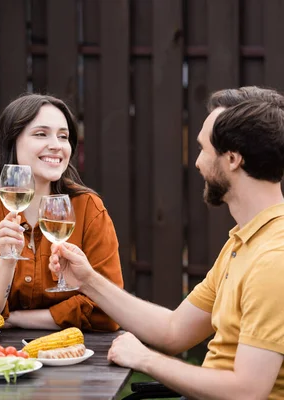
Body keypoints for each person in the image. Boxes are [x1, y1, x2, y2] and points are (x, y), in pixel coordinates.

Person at [49, 87, 284, 399]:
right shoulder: (245, 241)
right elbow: (174, 331)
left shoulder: (273, 259)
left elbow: (247, 391)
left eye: (203, 149)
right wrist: (87, 281)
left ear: (232, 159)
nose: (198, 162)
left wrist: (145, 358)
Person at [0, 93, 123, 331]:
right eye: (41, 134)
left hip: (79, 358)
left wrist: (16, 319)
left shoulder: (88, 207)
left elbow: (110, 312)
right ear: (12, 141)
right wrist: (7, 261)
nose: (56, 145)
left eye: (63, 136)